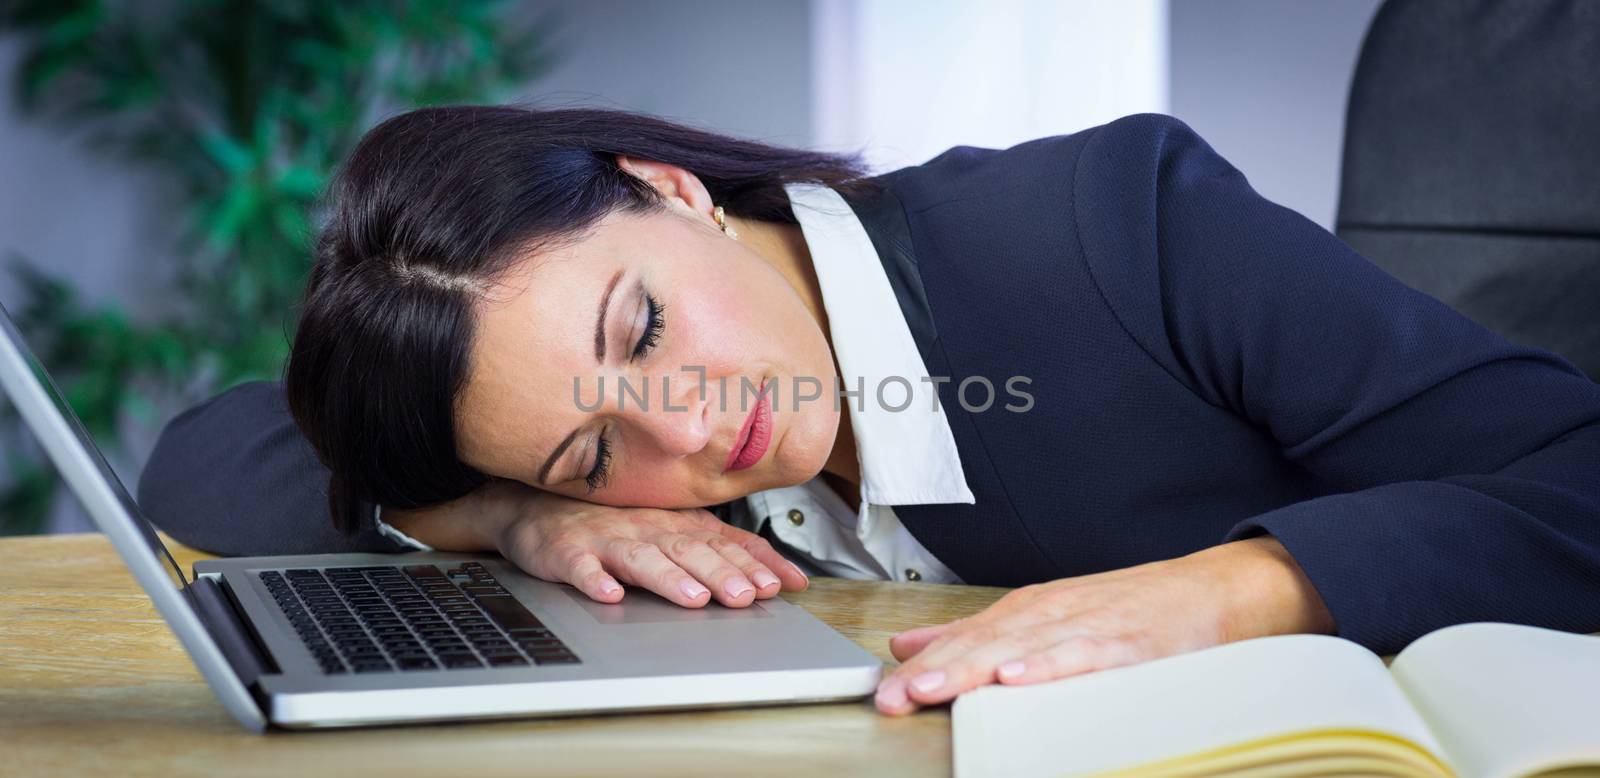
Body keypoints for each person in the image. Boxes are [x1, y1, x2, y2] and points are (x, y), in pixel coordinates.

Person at [138, 106, 1600, 717]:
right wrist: (525, 507)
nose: (691, 433)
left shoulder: (1118, 223)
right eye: (601, 444)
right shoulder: (593, 455)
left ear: (674, 192)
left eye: (639, 327)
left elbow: (1580, 469)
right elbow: (208, 448)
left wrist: (1239, 585)